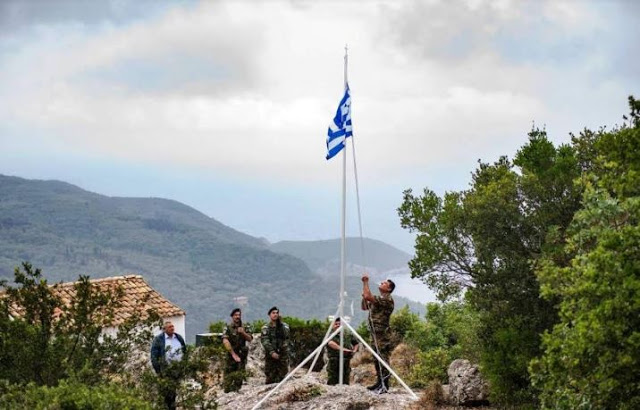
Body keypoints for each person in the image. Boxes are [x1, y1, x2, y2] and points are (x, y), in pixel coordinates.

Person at [361, 274, 395, 394]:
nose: (381, 283)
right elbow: (364, 307)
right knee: (376, 358)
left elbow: (368, 296)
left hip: (382, 334)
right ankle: (379, 382)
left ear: (389, 289)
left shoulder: (387, 299)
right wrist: (365, 297)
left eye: (385, 283)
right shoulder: (379, 298)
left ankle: (384, 384)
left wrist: (365, 283)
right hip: (375, 333)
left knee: (382, 358)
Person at [150, 321, 187, 409]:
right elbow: (154, 356)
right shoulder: (159, 339)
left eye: (173, 326)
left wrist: (185, 364)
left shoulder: (178, 337)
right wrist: (159, 371)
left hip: (178, 370)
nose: (172, 328)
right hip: (166, 370)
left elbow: (184, 351)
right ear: (165, 329)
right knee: (166, 393)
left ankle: (172, 407)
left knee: (174, 391)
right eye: (170, 327)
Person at [221, 308, 253, 392]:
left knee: (239, 377)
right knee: (228, 377)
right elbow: (225, 340)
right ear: (232, 316)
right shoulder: (227, 327)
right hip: (231, 356)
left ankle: (236, 391)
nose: (237, 317)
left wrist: (243, 333)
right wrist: (233, 354)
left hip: (242, 355)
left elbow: (250, 339)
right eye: (235, 315)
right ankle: (227, 392)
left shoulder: (245, 326)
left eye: (239, 315)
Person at [260, 306, 291, 384]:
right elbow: (265, 341)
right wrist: (272, 352)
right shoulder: (266, 328)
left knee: (282, 375)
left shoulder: (284, 326)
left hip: (282, 354)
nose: (275, 315)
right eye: (273, 313)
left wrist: (283, 349)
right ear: (269, 315)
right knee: (270, 376)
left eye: (277, 313)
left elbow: (287, 338)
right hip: (271, 355)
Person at [326, 317, 359, 385]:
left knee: (345, 378)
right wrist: (343, 349)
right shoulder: (330, 334)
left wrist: (354, 351)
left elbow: (356, 343)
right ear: (332, 325)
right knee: (333, 378)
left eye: (339, 324)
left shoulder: (347, 334)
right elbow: (330, 343)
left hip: (346, 359)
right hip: (334, 360)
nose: (338, 325)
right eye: (336, 324)